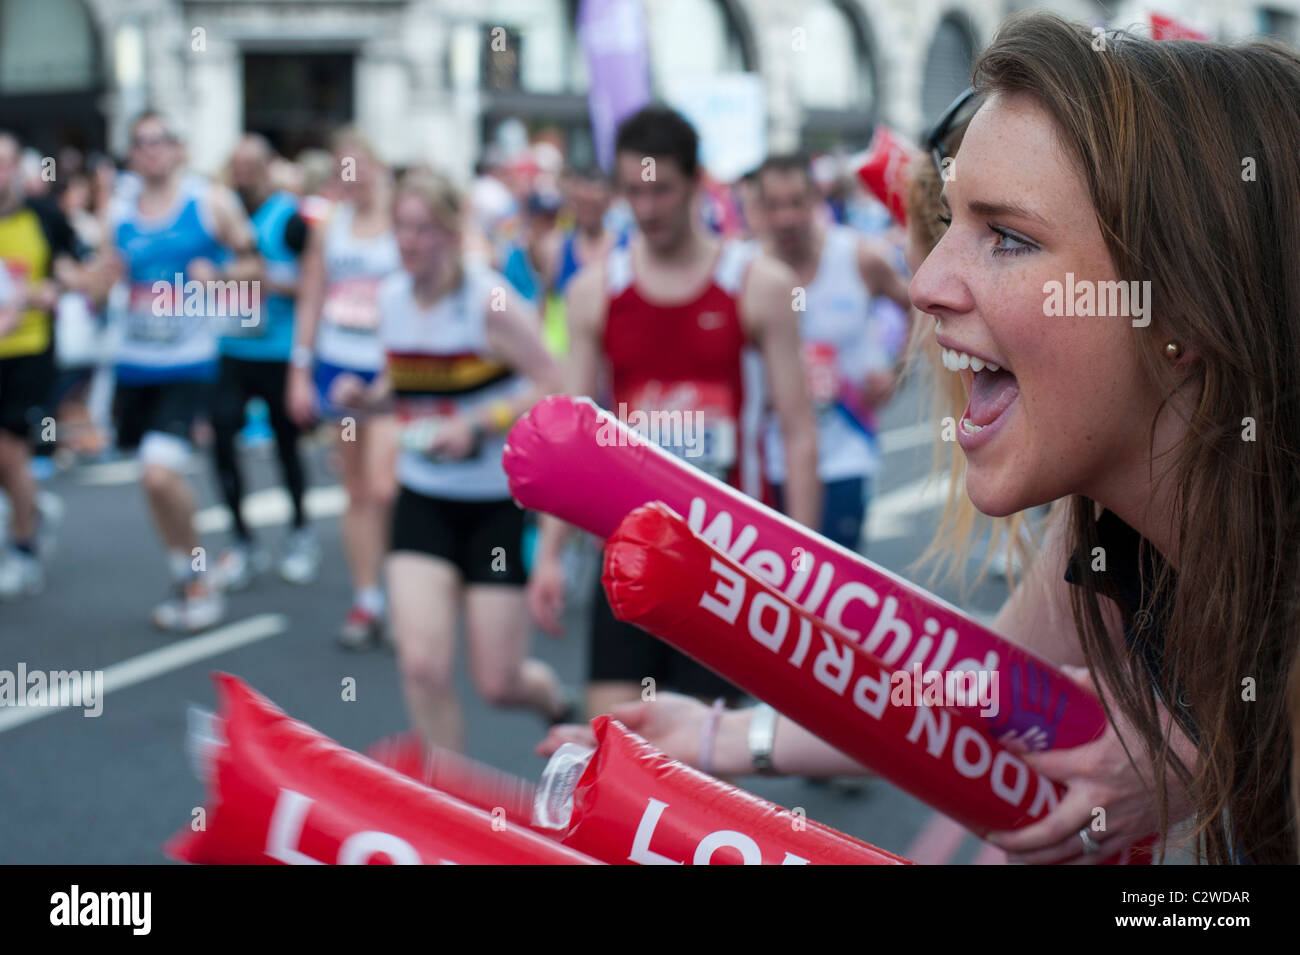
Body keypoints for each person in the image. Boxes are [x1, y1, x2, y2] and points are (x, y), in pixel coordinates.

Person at [546, 12, 1300, 865]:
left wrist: (1209, 762)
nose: (926, 283)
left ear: (1186, 305)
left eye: (1007, 238)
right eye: (945, 229)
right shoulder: (1104, 530)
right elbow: (969, 684)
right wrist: (725, 737)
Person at [528, 106, 821, 719]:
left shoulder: (757, 283)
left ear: (696, 183)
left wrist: (804, 566)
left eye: (661, 190)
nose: (647, 207)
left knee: (701, 765)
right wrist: (551, 553)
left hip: (729, 558)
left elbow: (797, 433)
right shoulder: (595, 291)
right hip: (629, 547)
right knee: (612, 742)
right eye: (633, 191)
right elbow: (572, 438)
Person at [331, 167, 571, 750]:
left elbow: (555, 383)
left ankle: (560, 704)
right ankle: (448, 808)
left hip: (492, 505)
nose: (410, 242)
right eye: (402, 229)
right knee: (422, 666)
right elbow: (411, 375)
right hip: (424, 499)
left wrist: (478, 424)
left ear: (450, 232)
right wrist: (368, 398)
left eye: (424, 230)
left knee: (498, 682)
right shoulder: (389, 298)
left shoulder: (488, 301)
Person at [107, 111, 261, 631]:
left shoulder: (209, 202)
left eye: (160, 141)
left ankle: (198, 575)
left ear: (179, 149)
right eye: (140, 142)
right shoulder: (120, 210)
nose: (150, 150)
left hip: (190, 363)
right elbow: (104, 274)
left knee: (158, 471)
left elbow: (255, 267)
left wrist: (219, 273)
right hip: (134, 365)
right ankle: (184, 573)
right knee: (150, 481)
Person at [755, 152, 913, 552]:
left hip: (846, 453)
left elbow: (918, 307)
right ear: (760, 209)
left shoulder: (859, 257)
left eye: (795, 203)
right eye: (774, 206)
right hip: (772, 455)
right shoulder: (749, 271)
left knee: (831, 582)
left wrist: (898, 373)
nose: (786, 218)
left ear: (814, 202)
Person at [286, 128, 401, 648]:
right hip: (339, 365)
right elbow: (312, 295)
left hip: (393, 372)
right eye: (341, 171)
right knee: (356, 490)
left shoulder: (402, 223)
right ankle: (366, 599)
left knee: (386, 487)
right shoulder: (328, 226)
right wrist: (300, 370)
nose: (350, 179)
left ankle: (405, 590)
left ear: (377, 166)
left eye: (358, 167)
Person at [209, 134, 318, 590]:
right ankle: (242, 539)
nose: (244, 173)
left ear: (269, 167)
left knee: (285, 444)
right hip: (231, 348)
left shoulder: (290, 221)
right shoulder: (219, 215)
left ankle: (299, 530)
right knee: (221, 438)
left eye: (253, 165)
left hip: (277, 349)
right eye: (237, 165)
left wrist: (267, 281)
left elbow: (315, 284)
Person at [0, 130, 87, 599]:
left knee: (9, 450)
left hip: (30, 351)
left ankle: (23, 548)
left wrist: (55, 288)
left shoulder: (43, 215)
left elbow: (81, 267)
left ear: (17, 168)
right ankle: (31, 510)